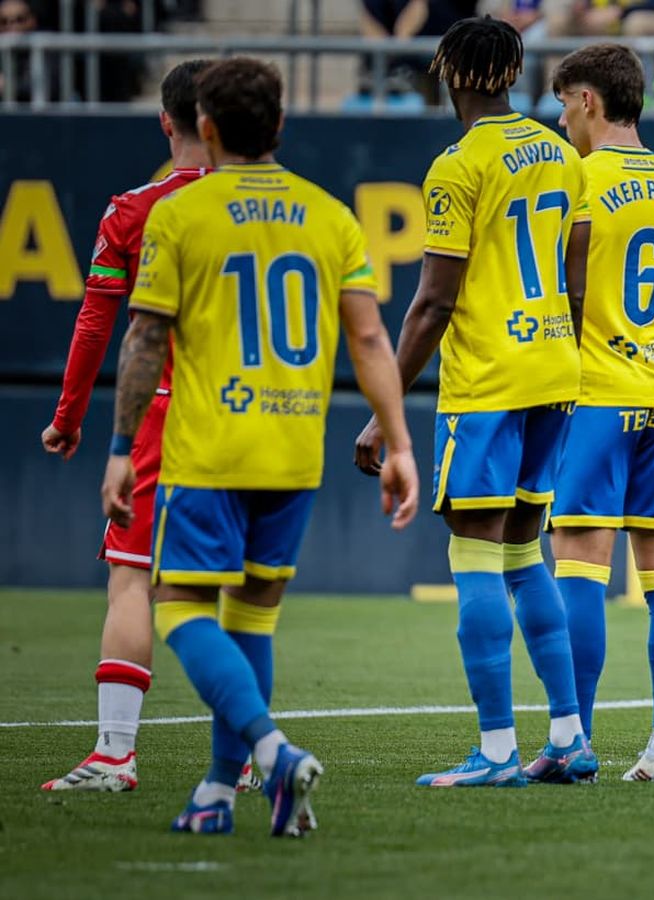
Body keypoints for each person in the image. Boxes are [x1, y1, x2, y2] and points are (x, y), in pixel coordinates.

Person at [103, 57, 419, 835]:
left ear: (205, 128)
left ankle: (272, 753)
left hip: (210, 449)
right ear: (279, 124)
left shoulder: (180, 213)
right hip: (293, 449)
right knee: (253, 620)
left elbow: (145, 340)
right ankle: (218, 792)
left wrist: (119, 445)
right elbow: (370, 338)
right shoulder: (328, 215)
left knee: (179, 608)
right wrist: (402, 444)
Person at [352, 16, 594, 787]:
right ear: (513, 72)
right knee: (526, 554)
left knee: (476, 557)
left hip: (489, 380)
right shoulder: (561, 153)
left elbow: (433, 302)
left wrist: (382, 410)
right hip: (555, 370)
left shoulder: (457, 166)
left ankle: (495, 751)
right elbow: (578, 283)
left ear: (448, 70)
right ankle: (569, 738)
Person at [38, 59, 213, 794]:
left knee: (132, 580)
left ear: (166, 121)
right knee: (227, 592)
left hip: (163, 414)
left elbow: (96, 323)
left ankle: (114, 753)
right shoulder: (277, 210)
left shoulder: (136, 211)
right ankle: (242, 757)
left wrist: (68, 417)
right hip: (251, 418)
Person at [548, 43, 654, 783]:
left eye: (564, 103)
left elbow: (561, 288)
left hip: (594, 396)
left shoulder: (576, 179)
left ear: (588, 100)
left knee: (580, 566)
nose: (561, 118)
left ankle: (575, 740)